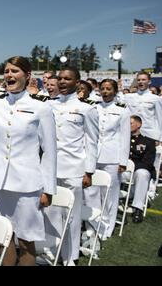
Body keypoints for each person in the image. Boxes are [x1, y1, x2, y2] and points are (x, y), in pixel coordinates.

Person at [0, 56, 57, 266]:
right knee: (3, 239)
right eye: (7, 71)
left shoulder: (41, 108)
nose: (9, 74)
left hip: (27, 184)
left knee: (26, 241)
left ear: (27, 76)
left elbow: (50, 151)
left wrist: (49, 189)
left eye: (15, 71)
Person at [44, 67, 99, 265]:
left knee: (72, 216)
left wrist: (89, 171)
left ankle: (71, 256)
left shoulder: (87, 109)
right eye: (60, 78)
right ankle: (51, 251)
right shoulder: (49, 106)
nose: (63, 82)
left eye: (68, 79)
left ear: (77, 83)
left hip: (74, 169)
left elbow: (92, 141)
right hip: (49, 168)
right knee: (50, 212)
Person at [86, 79, 130, 239]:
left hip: (112, 156)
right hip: (93, 155)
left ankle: (106, 228)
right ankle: (92, 225)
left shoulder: (122, 111)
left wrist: (123, 161)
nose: (105, 91)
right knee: (91, 191)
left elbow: (125, 137)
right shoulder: (93, 108)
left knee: (109, 193)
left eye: (109, 89)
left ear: (115, 91)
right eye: (103, 88)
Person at [127, 115, 156, 223]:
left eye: (130, 123)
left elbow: (148, 163)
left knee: (142, 174)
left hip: (138, 171)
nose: (128, 126)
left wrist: (131, 166)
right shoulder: (123, 139)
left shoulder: (148, 142)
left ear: (139, 124)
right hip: (125, 171)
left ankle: (138, 208)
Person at [123, 72, 162, 143]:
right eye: (138, 80)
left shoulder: (156, 99)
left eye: (143, 80)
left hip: (150, 134)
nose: (141, 82)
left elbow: (161, 120)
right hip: (132, 134)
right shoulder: (129, 97)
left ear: (149, 81)